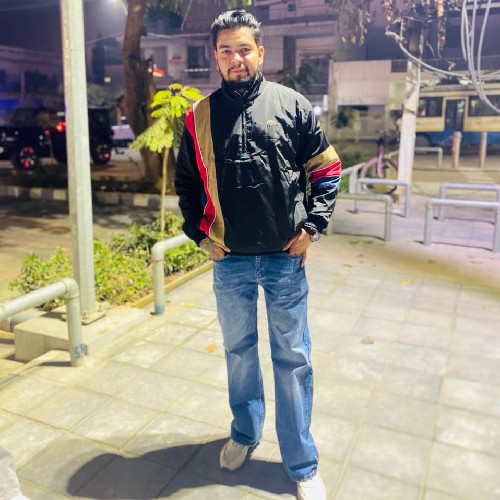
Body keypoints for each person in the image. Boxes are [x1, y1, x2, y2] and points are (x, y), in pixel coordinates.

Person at [175, 10, 341, 500]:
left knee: (293, 358)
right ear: (216, 57)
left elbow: (326, 170)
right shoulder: (199, 117)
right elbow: (186, 185)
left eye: (244, 49)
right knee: (239, 352)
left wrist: (312, 226)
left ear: (260, 52)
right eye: (225, 50)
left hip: (285, 259)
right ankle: (245, 433)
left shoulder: (292, 105)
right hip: (231, 262)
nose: (236, 59)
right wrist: (200, 236)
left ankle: (302, 463)